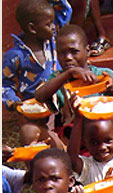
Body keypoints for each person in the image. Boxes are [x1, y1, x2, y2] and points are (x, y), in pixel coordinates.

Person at [35, 24, 113, 146]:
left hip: (107, 137)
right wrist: (69, 73)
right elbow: (39, 96)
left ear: (87, 51)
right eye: (62, 53)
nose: (68, 58)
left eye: (74, 52)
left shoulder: (104, 75)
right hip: (75, 140)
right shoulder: (58, 80)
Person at [2, 0, 63, 148]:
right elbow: (4, 83)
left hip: (58, 104)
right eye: (49, 24)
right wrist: (13, 101)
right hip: (32, 110)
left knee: (58, 140)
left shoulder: (51, 42)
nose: (54, 27)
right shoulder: (16, 55)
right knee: (33, 141)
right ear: (32, 28)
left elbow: (65, 10)